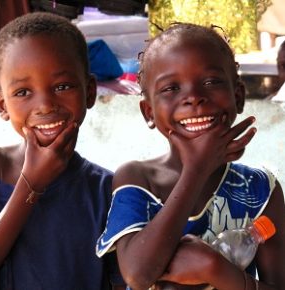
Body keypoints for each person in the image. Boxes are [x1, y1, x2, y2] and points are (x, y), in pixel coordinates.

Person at [96, 23, 285, 289]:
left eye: (211, 82)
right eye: (171, 88)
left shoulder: (261, 189)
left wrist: (213, 267)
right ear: (149, 112)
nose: (194, 98)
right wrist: (196, 170)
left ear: (238, 97)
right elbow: (138, 274)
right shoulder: (138, 178)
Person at [0, 12, 125, 290]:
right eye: (22, 92)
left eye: (62, 86)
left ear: (89, 92)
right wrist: (32, 184)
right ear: (2, 104)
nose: (45, 105)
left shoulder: (109, 191)